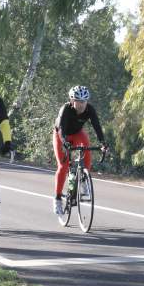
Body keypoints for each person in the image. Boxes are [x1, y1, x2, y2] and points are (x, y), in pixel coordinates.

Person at [52, 85, 107, 214]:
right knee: (63, 166)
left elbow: (97, 126)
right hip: (61, 135)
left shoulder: (89, 110)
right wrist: (65, 143)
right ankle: (57, 198)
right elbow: (61, 129)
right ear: (72, 101)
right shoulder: (65, 109)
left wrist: (103, 143)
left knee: (86, 147)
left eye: (84, 101)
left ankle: (83, 179)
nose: (82, 105)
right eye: (78, 101)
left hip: (77, 133)